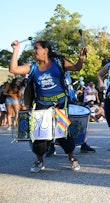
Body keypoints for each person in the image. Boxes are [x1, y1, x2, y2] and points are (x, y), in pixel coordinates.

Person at [9, 40, 86, 172]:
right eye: (34, 48)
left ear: (46, 50)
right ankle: (39, 161)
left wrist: (81, 57)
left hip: (60, 104)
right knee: (40, 137)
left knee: (63, 134)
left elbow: (77, 68)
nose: (34, 51)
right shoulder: (33, 67)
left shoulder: (58, 62)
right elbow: (13, 69)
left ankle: (72, 158)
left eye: (37, 48)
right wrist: (16, 49)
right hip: (42, 105)